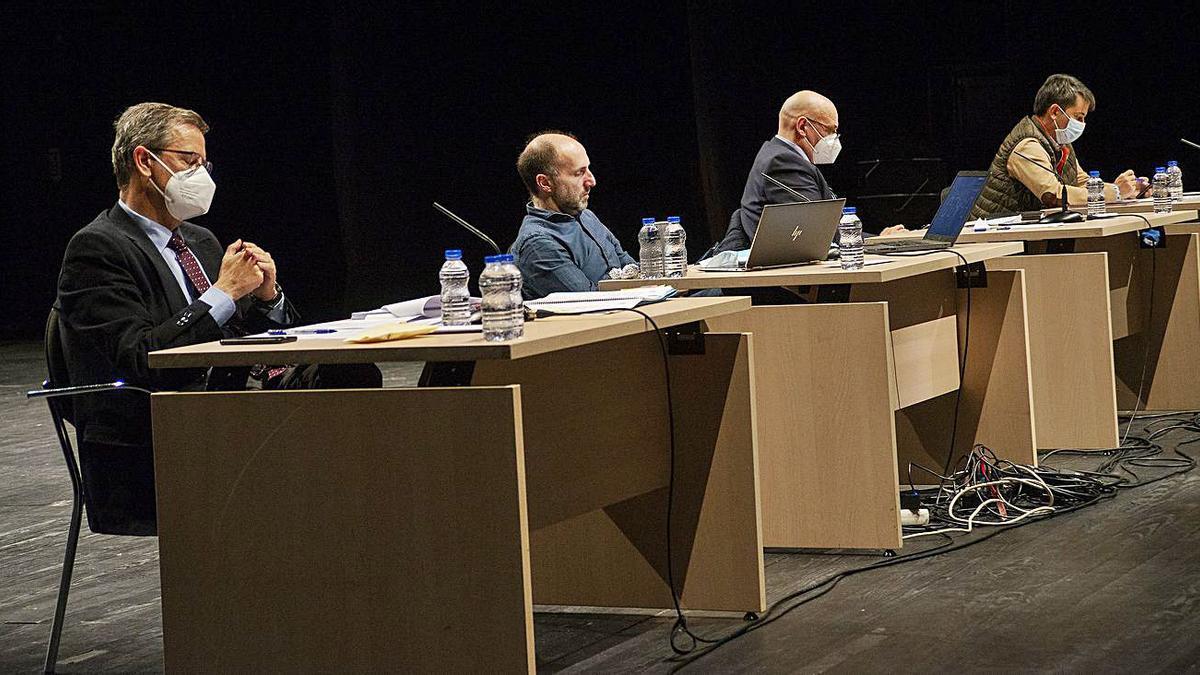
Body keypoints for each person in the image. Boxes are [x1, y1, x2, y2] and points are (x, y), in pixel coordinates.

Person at [55, 102, 378, 535]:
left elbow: (254, 336)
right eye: (189, 161)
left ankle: (349, 537)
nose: (201, 175)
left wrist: (269, 297)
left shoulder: (200, 241)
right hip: (162, 430)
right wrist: (223, 293)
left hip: (230, 403)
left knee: (350, 374)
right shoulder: (98, 248)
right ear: (144, 162)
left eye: (205, 163)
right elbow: (141, 355)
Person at [970, 74, 1146, 219]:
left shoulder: (1061, 143)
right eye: (1078, 117)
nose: (1082, 124)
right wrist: (1114, 192)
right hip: (995, 240)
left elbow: (1082, 182)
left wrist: (1131, 189)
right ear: (1055, 112)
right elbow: (1054, 196)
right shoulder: (1026, 146)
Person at [510, 131, 636, 300]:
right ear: (545, 183)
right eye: (579, 173)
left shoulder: (587, 217)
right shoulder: (537, 243)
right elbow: (590, 301)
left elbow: (630, 266)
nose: (591, 181)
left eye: (588, 169)